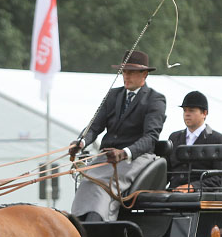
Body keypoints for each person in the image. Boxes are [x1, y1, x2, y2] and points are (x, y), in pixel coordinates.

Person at [69, 50, 167, 221]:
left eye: (131, 72)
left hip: (135, 157)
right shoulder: (113, 95)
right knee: (86, 181)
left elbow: (150, 137)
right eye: (124, 71)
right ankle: (78, 223)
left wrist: (125, 152)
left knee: (103, 185)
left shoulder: (155, 99)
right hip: (107, 156)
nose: (126, 76)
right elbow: (95, 126)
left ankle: (99, 221)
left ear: (144, 74)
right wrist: (81, 142)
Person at [166, 91, 222, 191]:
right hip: (173, 192)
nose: (187, 114)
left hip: (202, 196)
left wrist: (193, 187)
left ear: (204, 113)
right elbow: (166, 171)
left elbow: (221, 177)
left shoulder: (218, 140)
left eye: (191, 111)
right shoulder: (174, 137)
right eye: (185, 110)